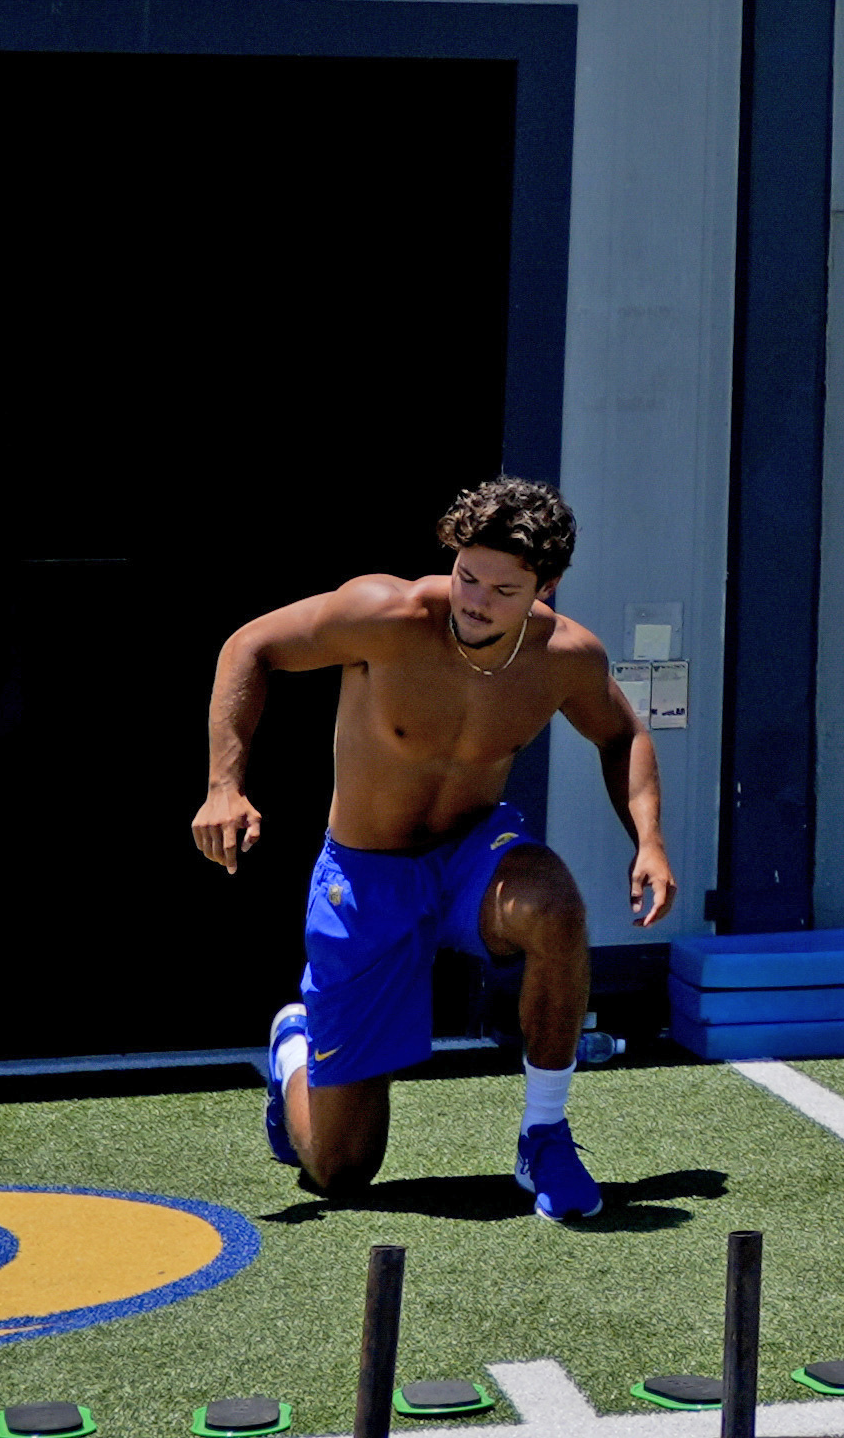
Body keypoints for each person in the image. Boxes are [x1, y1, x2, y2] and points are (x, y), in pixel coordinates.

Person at [194, 474, 672, 1220]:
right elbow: (249, 646)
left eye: (503, 590)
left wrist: (649, 840)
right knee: (342, 1171)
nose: (476, 601)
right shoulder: (385, 615)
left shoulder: (565, 656)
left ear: (545, 587)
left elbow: (622, 734)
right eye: (467, 575)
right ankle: (294, 1048)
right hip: (366, 876)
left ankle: (544, 1134)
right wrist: (225, 784)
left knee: (554, 905)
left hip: (472, 856)